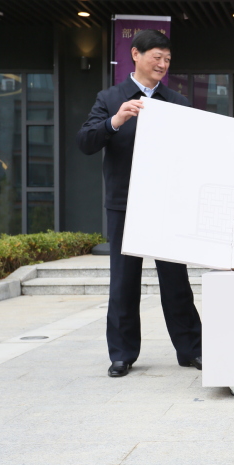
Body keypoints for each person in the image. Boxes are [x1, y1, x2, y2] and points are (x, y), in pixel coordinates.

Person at [77, 29, 203, 378]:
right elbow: (85, 141)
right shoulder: (110, 98)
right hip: (124, 204)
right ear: (135, 54)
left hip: (166, 204)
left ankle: (192, 349)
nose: (162, 64)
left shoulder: (177, 102)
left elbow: (193, 151)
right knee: (123, 282)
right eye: (156, 57)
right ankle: (122, 354)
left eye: (167, 59)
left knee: (176, 282)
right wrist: (114, 121)